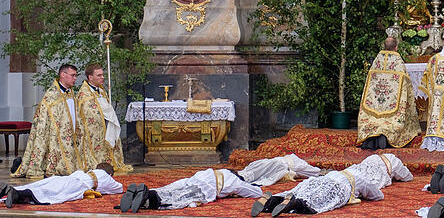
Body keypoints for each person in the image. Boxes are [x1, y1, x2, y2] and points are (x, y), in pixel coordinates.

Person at [12, 64, 83, 178]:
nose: (75, 78)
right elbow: (44, 118)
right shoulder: (51, 95)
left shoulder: (71, 93)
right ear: (63, 75)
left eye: (76, 75)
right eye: (72, 75)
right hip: (55, 134)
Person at [357, 36, 421, 149]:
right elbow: (407, 90)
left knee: (371, 121)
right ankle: (384, 138)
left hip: (374, 110)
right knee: (396, 123)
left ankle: (371, 137)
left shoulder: (376, 62)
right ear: (396, 48)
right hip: (392, 114)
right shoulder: (399, 64)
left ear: (384, 46)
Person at [119, 167, 262, 213]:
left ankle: (143, 194)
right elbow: (256, 193)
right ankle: (149, 200)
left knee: (170, 188)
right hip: (206, 188)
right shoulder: (236, 182)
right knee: (177, 199)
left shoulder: (223, 170)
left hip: (194, 178)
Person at [264, 163, 384, 216]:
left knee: (300, 190)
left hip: (317, 180)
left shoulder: (340, 171)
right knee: (317, 201)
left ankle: (273, 200)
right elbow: (377, 196)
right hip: (338, 186)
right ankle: (295, 204)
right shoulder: (362, 177)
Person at [77, 64, 132, 173]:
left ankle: (109, 164)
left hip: (106, 125)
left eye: (103, 75)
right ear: (90, 77)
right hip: (93, 131)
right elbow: (88, 114)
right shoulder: (84, 94)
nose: (102, 77)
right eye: (99, 75)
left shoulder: (101, 91)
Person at [2, 162, 121, 208]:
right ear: (110, 174)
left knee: (40, 186)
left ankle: (13, 191)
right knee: (49, 194)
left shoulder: (81, 172)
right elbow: (119, 188)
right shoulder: (106, 177)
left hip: (62, 179)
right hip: (76, 185)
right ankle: (17, 194)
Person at [236, 153, 320, 186]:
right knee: (262, 165)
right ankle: (243, 176)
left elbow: (312, 172)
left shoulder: (302, 166)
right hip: (280, 162)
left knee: (269, 166)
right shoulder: (296, 161)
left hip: (282, 165)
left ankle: (244, 177)